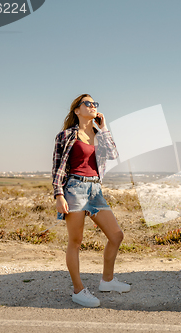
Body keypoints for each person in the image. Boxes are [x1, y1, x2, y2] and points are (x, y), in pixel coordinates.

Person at [52, 94, 130, 307]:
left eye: (95, 103)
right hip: (74, 189)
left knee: (116, 235)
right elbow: (58, 168)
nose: (93, 106)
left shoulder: (98, 133)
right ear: (77, 110)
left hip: (95, 190)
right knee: (75, 242)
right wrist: (59, 194)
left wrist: (104, 128)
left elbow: (113, 154)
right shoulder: (66, 136)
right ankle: (78, 290)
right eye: (88, 103)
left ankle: (107, 280)